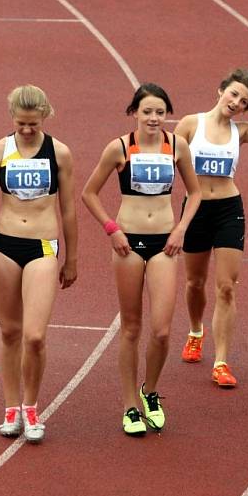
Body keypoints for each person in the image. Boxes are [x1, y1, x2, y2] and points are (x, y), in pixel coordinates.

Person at [82, 84, 201, 436]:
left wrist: (181, 229)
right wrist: (111, 229)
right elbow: (88, 193)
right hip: (128, 245)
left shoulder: (176, 146)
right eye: (147, 111)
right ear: (134, 112)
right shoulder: (119, 148)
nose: (153, 118)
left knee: (162, 330)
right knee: (131, 327)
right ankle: (129, 405)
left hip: (165, 243)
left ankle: (150, 391)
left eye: (160, 112)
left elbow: (195, 193)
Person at [0, 84, 78, 443]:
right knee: (10, 332)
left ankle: (32, 407)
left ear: (44, 116)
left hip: (43, 246)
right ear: (12, 119)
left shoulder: (59, 153)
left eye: (32, 124)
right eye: (20, 124)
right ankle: (11, 408)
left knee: (34, 336)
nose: (27, 130)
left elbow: (68, 208)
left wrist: (72, 257)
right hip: (5, 245)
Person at [174, 68, 248, 387]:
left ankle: (222, 361)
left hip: (228, 209)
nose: (237, 102)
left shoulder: (242, 131)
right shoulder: (190, 124)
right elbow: (167, 156)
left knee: (226, 286)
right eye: (234, 94)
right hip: (196, 209)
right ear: (220, 90)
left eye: (244, 100)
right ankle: (196, 331)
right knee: (195, 282)